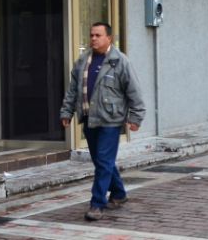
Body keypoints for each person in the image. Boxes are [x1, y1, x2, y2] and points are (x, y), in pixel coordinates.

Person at [60, 22, 145, 221]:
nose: (93, 39)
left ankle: (97, 204)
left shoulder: (120, 61)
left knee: (104, 161)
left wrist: (136, 117)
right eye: (91, 35)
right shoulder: (83, 60)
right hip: (89, 119)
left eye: (98, 35)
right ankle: (119, 194)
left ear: (109, 38)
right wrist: (67, 112)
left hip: (110, 120)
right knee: (101, 161)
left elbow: (134, 91)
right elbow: (73, 90)